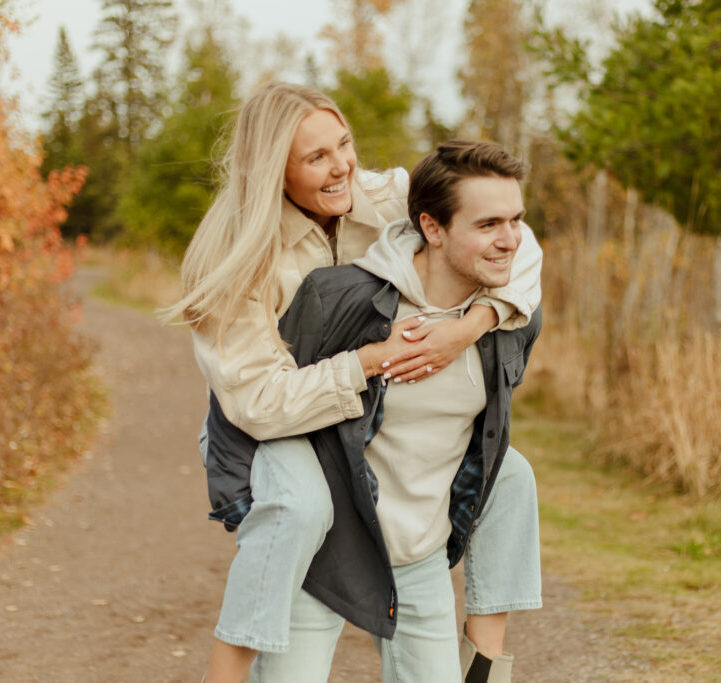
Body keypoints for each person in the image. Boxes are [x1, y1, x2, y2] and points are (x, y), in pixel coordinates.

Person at [164, 82, 543, 682]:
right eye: (317, 157)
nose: (342, 165)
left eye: (344, 144)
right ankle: (227, 669)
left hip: (347, 415)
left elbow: (508, 244)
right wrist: (371, 361)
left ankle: (485, 665)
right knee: (302, 505)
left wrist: (470, 326)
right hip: (263, 424)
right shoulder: (236, 257)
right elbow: (258, 403)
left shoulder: (386, 195)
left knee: (511, 473)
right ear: (272, 170)